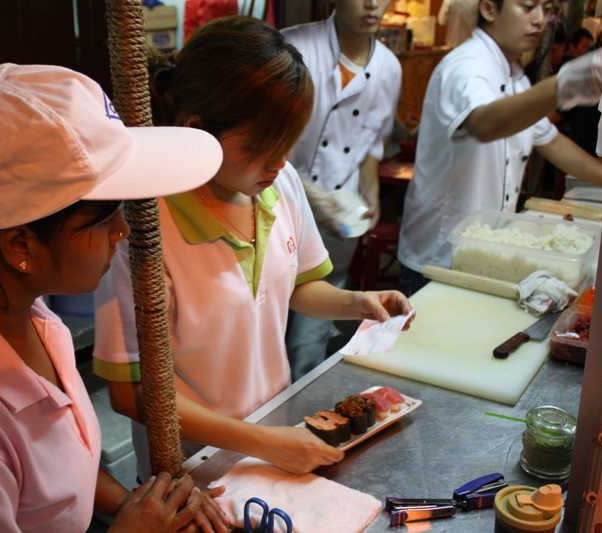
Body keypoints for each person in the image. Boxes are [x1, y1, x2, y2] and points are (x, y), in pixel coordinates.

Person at [0, 63, 229, 533]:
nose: (122, 231)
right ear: (21, 245)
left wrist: (142, 506)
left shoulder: (1, 294)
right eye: (104, 217)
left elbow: (55, 472)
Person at [93, 16, 413, 485]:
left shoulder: (277, 184)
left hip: (275, 440)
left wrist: (355, 303)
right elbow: (130, 391)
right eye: (261, 146)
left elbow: (300, 284)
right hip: (193, 469)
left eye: (288, 144)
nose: (280, 161)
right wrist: (262, 442)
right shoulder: (143, 227)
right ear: (196, 129)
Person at [397, 0, 602, 296]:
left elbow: (551, 142)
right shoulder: (466, 65)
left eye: (546, 8)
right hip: (438, 257)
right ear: (489, 9)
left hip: (482, 252)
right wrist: (562, 86)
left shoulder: (514, 77)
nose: (539, 20)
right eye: (527, 7)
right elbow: (484, 123)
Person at [280, 0, 402, 380]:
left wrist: (370, 193)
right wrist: (312, 197)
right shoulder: (293, 47)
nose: (372, 4)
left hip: (337, 226)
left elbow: (373, 143)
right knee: (264, 332)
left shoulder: (389, 67)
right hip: (279, 206)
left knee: (308, 346)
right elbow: (263, 141)